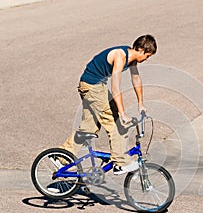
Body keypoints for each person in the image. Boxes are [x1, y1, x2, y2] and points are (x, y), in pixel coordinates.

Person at [61, 35, 157, 175]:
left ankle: (62, 157)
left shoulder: (131, 60)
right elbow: (116, 88)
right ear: (141, 50)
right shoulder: (120, 56)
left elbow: (136, 79)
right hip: (92, 86)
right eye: (147, 56)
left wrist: (141, 103)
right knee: (117, 124)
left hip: (93, 85)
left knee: (89, 126)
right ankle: (120, 162)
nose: (147, 59)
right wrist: (122, 114)